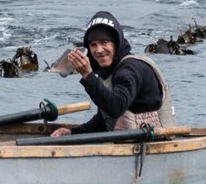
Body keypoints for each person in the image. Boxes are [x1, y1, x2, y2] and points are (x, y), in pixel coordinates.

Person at [49, 10, 177, 136]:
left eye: (105, 42)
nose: (99, 50)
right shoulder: (108, 71)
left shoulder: (130, 70)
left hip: (157, 143)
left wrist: (88, 75)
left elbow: (116, 108)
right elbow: (105, 120)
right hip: (130, 142)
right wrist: (72, 132)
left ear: (117, 43)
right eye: (93, 45)